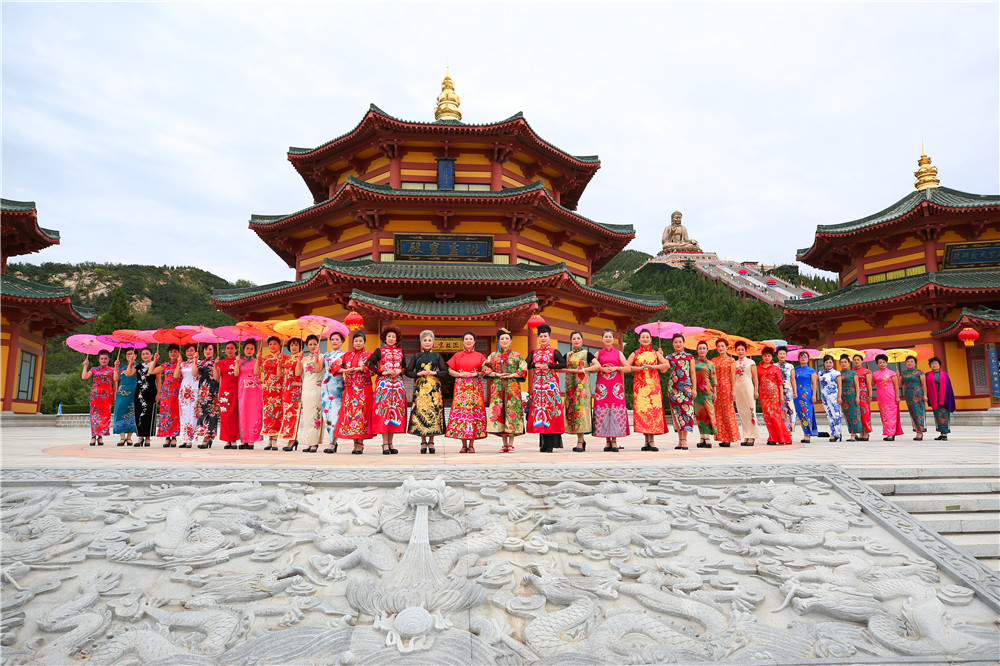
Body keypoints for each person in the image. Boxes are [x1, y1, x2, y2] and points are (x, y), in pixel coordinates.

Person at [482, 328, 527, 453]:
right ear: (498, 341)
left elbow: (523, 368)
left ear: (511, 340)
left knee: (512, 413)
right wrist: (497, 374)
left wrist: (511, 375)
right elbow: (484, 367)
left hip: (513, 388)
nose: (505, 341)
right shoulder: (493, 356)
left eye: (507, 338)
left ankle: (511, 444)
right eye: (502, 339)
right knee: (500, 413)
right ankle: (504, 444)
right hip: (498, 388)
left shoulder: (517, 356)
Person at [406, 330, 449, 453]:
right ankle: (423, 441)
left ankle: (431, 441)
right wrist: (418, 374)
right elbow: (408, 372)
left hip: (434, 390)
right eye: (425, 340)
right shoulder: (416, 356)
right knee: (421, 414)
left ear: (433, 342)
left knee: (433, 414)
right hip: (420, 390)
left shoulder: (437, 356)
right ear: (421, 342)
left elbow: (445, 371)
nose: (427, 342)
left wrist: (435, 372)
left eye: (429, 340)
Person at [626, 328, 668, 450]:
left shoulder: (656, 353)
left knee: (653, 413)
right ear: (639, 339)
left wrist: (653, 366)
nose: (645, 339)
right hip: (640, 388)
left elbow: (666, 365)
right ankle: (646, 441)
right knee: (643, 412)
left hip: (653, 388)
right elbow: (626, 367)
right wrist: (637, 368)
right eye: (643, 337)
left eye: (647, 337)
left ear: (651, 339)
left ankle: (652, 441)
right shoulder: (635, 353)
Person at [446, 331, 488, 452]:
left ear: (474, 341)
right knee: (462, 415)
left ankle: (472, 445)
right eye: (466, 339)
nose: (468, 341)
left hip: (475, 389)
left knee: (474, 414)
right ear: (463, 341)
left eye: (471, 339)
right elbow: (450, 371)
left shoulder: (480, 356)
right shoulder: (457, 355)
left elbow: (485, 371)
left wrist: (475, 374)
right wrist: (460, 374)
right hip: (461, 389)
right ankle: (464, 445)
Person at [527, 324, 566, 453]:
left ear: (549, 337)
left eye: (545, 336)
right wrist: (534, 365)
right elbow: (524, 365)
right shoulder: (534, 352)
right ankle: (543, 443)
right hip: (538, 388)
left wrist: (549, 366)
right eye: (541, 336)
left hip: (550, 388)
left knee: (551, 413)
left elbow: (563, 364)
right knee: (540, 414)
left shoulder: (554, 352)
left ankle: (550, 444)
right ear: (538, 338)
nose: (543, 338)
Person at [368, 326, 406, 455]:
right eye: (389, 336)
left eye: (393, 337)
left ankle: (391, 443)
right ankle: (385, 443)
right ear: (384, 338)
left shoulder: (400, 351)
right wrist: (382, 372)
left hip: (397, 386)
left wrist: (400, 370)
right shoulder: (379, 351)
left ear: (396, 339)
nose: (391, 338)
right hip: (384, 386)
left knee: (394, 413)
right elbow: (370, 364)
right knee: (384, 413)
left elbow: (404, 367)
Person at [593, 329, 631, 452]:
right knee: (604, 410)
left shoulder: (618, 353)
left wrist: (617, 368)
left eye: (610, 336)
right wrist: (601, 369)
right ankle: (607, 441)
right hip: (602, 387)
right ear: (602, 339)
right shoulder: (598, 354)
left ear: (613, 339)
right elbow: (592, 369)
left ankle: (614, 441)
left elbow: (628, 368)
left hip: (616, 386)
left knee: (615, 410)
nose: (608, 338)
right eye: (606, 336)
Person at [336, 331, 374, 453]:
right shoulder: (346, 355)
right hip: (350, 390)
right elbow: (334, 366)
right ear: (352, 343)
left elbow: (374, 369)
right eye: (356, 341)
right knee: (351, 415)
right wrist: (345, 371)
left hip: (364, 389)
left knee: (361, 415)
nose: (358, 343)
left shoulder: (369, 355)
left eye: (360, 341)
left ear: (364, 342)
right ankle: (355, 443)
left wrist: (361, 368)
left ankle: (360, 443)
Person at [561, 331, 599, 452]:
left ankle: (580, 441)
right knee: (572, 411)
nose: (576, 340)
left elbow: (597, 366)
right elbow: (559, 367)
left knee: (580, 411)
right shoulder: (567, 355)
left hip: (582, 388)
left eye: (578, 338)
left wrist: (584, 370)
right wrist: (568, 371)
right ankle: (579, 439)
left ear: (582, 340)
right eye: (574, 339)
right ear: (571, 341)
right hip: (570, 387)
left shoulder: (587, 354)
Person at [665, 334, 697, 450]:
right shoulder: (669, 357)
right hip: (673, 388)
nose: (678, 344)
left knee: (686, 413)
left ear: (684, 343)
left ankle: (684, 440)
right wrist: (660, 356)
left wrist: (694, 388)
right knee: (677, 414)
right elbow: (663, 370)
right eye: (676, 342)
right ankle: (680, 440)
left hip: (686, 389)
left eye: (680, 342)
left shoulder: (689, 357)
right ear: (672, 344)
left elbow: (692, 373)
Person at [298, 335, 327, 453]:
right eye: (310, 344)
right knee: (307, 416)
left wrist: (316, 357)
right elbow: (298, 373)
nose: (313, 346)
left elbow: (318, 369)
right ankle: (309, 442)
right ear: (307, 346)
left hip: (316, 388)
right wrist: (299, 360)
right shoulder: (304, 359)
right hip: (306, 388)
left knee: (315, 414)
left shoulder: (321, 357)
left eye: (315, 344)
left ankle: (314, 443)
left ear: (318, 345)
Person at [758, 346, 791, 445]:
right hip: (763, 395)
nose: (767, 358)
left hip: (774, 395)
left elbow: (780, 383)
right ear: (762, 357)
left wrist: (781, 396)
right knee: (767, 417)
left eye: (769, 356)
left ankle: (782, 438)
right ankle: (772, 437)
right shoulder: (757, 368)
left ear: (772, 357)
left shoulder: (776, 368)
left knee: (775, 416)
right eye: (765, 356)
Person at [710, 338, 740, 447]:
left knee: (728, 412)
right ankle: (722, 437)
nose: (720, 348)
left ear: (727, 347)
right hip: (716, 389)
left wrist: (733, 390)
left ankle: (729, 438)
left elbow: (732, 376)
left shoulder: (731, 360)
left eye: (722, 346)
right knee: (718, 413)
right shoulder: (713, 360)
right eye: (718, 346)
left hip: (727, 388)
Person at [83, 350, 116, 446]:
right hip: (96, 395)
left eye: (105, 358)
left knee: (105, 415)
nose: (103, 360)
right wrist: (85, 365)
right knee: (94, 415)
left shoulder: (112, 370)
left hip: (107, 395)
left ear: (108, 359)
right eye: (102, 358)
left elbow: (115, 383)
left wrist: (114, 395)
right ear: (99, 360)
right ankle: (94, 436)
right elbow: (84, 377)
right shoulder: (94, 369)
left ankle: (100, 436)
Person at [321, 332, 346, 454]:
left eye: (337, 339)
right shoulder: (325, 355)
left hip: (337, 388)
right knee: (326, 415)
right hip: (325, 388)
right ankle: (331, 440)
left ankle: (333, 442)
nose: (334, 341)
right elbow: (318, 369)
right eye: (332, 339)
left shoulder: (345, 355)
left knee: (335, 415)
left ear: (342, 341)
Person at [151, 345, 181, 447]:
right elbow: (151, 371)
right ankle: (167, 437)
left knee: (175, 414)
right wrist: (155, 360)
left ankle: (174, 437)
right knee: (166, 413)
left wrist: (179, 362)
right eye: (171, 352)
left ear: (179, 353)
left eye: (175, 351)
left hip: (177, 392)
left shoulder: (182, 364)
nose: (173, 353)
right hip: (166, 393)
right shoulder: (165, 365)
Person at [214, 341, 240, 449]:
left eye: (232, 348)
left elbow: (237, 374)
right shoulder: (221, 362)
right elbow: (216, 377)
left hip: (235, 390)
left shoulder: (238, 361)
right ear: (225, 350)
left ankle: (233, 439)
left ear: (236, 350)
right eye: (228, 348)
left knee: (234, 415)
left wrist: (237, 362)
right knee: (225, 416)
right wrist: (215, 365)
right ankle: (227, 439)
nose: (230, 350)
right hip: (224, 391)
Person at [279, 338, 304, 451]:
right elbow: (279, 374)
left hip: (295, 390)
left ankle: (292, 440)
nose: (294, 347)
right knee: (287, 414)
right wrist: (279, 363)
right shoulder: (287, 360)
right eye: (292, 345)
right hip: (286, 389)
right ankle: (293, 438)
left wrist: (299, 360)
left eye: (296, 345)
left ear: (300, 347)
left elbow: (298, 373)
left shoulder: (302, 359)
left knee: (294, 414)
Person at [259, 336, 284, 450]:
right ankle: (270, 438)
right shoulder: (265, 359)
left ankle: (275, 439)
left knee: (277, 413)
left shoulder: (285, 358)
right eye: (270, 344)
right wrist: (258, 359)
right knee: (268, 413)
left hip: (279, 389)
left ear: (279, 345)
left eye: (275, 344)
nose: (272, 346)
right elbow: (256, 371)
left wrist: (280, 362)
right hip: (267, 390)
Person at [872, 353, 903, 441]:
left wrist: (897, 397)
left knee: (890, 414)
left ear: (887, 363)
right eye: (880, 362)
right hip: (880, 396)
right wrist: (869, 376)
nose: (882, 364)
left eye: (884, 362)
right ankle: (889, 432)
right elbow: (871, 384)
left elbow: (896, 386)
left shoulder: (892, 373)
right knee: (884, 414)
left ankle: (891, 434)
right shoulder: (875, 374)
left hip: (890, 395)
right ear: (877, 364)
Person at [732, 340, 759, 445]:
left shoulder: (751, 362)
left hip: (748, 387)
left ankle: (752, 436)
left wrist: (756, 390)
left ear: (746, 351)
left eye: (742, 349)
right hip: (738, 388)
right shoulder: (734, 363)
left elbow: (755, 378)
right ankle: (746, 435)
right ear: (735, 351)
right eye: (738, 350)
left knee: (750, 410)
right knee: (742, 412)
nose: (740, 351)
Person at [238, 340, 263, 449]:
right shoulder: (240, 361)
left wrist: (258, 360)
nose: (249, 350)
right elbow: (236, 374)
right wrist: (236, 362)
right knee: (244, 414)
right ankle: (244, 439)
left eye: (251, 349)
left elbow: (257, 373)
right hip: (243, 390)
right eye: (247, 348)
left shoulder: (257, 360)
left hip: (254, 391)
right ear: (243, 349)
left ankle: (252, 439)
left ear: (254, 350)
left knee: (253, 414)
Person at [194, 342, 219, 449]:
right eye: (205, 349)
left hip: (213, 390)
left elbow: (218, 377)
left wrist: (216, 365)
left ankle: (208, 437)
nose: (207, 351)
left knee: (211, 413)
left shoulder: (216, 361)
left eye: (210, 349)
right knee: (203, 412)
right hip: (202, 390)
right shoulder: (201, 363)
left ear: (214, 351)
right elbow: (194, 373)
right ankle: (207, 435)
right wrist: (195, 360)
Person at [175, 344, 200, 448]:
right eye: (188, 351)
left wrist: (195, 361)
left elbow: (194, 373)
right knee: (183, 415)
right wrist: (178, 363)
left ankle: (190, 439)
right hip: (183, 390)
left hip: (194, 390)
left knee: (192, 415)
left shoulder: (199, 363)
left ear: (195, 352)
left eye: (191, 350)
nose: (189, 352)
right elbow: (176, 375)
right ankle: (184, 439)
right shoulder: (183, 364)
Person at [133, 347, 159, 447]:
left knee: (149, 414)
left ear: (152, 355)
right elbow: (128, 373)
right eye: (143, 354)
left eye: (147, 353)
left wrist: (159, 393)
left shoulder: (155, 366)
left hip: (151, 392)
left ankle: (148, 437)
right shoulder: (138, 366)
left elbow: (158, 381)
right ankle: (140, 436)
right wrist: (131, 362)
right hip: (139, 393)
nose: (145, 356)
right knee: (139, 413)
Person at [693, 340, 716, 448]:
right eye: (700, 348)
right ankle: (702, 437)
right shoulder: (693, 362)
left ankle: (707, 437)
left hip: (707, 392)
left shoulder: (711, 364)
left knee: (708, 413)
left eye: (704, 348)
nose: (702, 350)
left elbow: (713, 379)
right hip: (696, 391)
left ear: (707, 350)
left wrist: (715, 392)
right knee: (699, 414)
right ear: (697, 350)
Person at [925, 356, 955, 440]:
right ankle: (941, 433)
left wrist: (949, 398)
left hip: (944, 398)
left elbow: (949, 388)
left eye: (936, 363)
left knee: (944, 415)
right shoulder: (927, 375)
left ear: (939, 365)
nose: (934, 365)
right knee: (937, 415)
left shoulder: (945, 375)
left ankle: (945, 433)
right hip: (934, 398)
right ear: (930, 365)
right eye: (932, 364)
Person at [113, 349, 138, 445]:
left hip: (134, 391)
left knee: (132, 412)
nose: (130, 355)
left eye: (132, 354)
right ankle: (122, 437)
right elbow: (116, 378)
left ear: (135, 355)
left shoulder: (138, 366)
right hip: (122, 392)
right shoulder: (122, 367)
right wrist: (116, 367)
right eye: (128, 354)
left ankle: (129, 437)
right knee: (120, 411)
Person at [837, 355, 864, 440]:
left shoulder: (853, 373)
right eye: (842, 362)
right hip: (843, 397)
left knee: (854, 414)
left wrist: (857, 397)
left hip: (852, 395)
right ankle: (853, 433)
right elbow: (838, 386)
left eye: (845, 362)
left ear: (849, 363)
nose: (844, 364)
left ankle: (853, 434)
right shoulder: (838, 374)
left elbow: (857, 386)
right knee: (847, 415)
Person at [794, 351, 819, 443]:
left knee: (807, 413)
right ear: (798, 359)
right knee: (800, 414)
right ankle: (805, 433)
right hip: (797, 394)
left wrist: (814, 395)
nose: (803, 358)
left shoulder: (811, 370)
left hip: (807, 394)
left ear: (808, 359)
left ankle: (807, 435)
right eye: (801, 357)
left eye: (805, 357)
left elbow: (814, 383)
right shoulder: (794, 370)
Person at [901, 355, 927, 441]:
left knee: (918, 412)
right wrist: (898, 376)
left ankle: (920, 432)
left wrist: (925, 395)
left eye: (912, 361)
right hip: (908, 395)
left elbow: (924, 384)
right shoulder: (903, 373)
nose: (910, 363)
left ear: (915, 363)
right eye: (908, 362)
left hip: (918, 395)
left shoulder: (920, 372)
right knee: (912, 413)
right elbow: (900, 384)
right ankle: (917, 430)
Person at [818, 354, 842, 442]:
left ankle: (838, 433)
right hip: (824, 395)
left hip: (834, 395)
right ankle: (833, 432)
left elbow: (840, 386)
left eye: (830, 362)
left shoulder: (837, 373)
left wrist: (839, 397)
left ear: (833, 363)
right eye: (827, 362)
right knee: (829, 414)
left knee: (836, 413)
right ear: (824, 363)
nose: (828, 364)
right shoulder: (820, 373)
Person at [852, 354, 874, 440]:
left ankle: (867, 432)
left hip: (864, 394)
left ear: (862, 361)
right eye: (855, 360)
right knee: (857, 414)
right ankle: (861, 431)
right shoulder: (851, 371)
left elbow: (869, 384)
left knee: (865, 413)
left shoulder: (866, 371)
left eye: (858, 360)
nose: (856, 361)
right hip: (854, 394)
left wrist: (870, 395)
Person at [776, 346, 797, 435]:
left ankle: (790, 432)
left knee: (790, 409)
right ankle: (782, 432)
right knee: (781, 410)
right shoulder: (774, 366)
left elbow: (793, 379)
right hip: (777, 390)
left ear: (786, 355)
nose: (782, 355)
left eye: (784, 354)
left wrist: (795, 391)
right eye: (780, 353)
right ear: (777, 355)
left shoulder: (790, 366)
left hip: (788, 390)